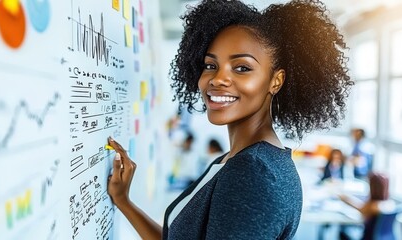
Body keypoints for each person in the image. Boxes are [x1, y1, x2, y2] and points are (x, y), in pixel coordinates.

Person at [107, 0, 353, 239]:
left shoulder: (253, 174)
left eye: (242, 68)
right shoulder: (240, 160)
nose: (217, 79)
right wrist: (124, 201)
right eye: (210, 65)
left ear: (275, 81)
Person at [339, 172, 395, 240]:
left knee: (342, 231)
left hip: (368, 238)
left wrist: (343, 197)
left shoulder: (374, 206)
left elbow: (360, 208)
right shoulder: (389, 204)